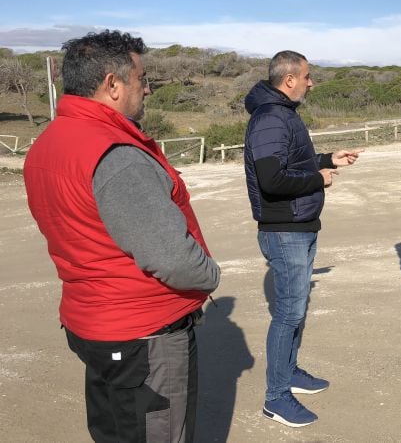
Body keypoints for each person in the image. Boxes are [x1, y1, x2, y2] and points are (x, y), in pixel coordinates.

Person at [23, 30, 220, 442]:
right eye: (142, 79)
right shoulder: (115, 154)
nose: (147, 89)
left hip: (93, 322)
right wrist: (210, 276)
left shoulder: (49, 143)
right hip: (142, 334)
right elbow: (171, 257)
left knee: (115, 431)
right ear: (112, 85)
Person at [244, 50, 361, 428]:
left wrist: (327, 158)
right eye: (307, 76)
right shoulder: (270, 118)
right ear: (289, 79)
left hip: (300, 225)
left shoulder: (283, 114)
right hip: (285, 230)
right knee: (288, 314)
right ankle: (276, 397)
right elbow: (272, 179)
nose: (311, 82)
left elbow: (292, 161)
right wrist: (319, 178)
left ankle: (289, 372)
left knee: (296, 310)